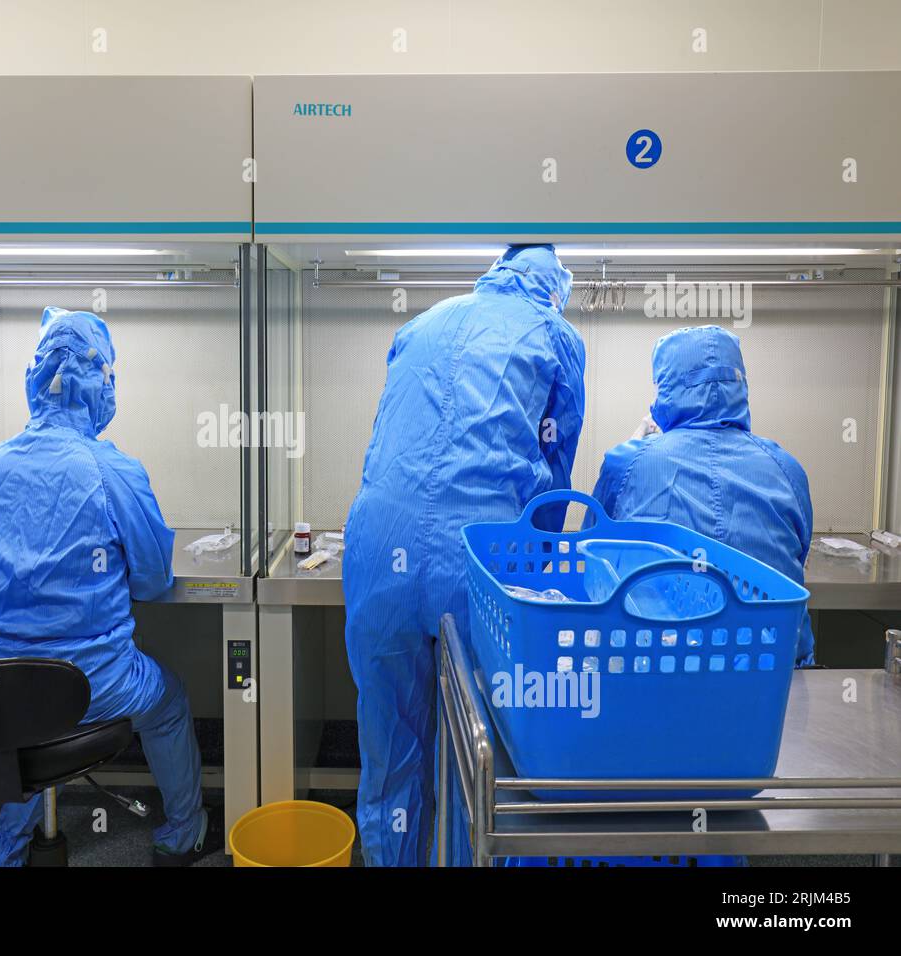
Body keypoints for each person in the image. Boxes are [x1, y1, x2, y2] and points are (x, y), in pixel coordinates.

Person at [343, 244, 586, 866]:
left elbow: (388, 438)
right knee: (474, 756)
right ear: (552, 286)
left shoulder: (420, 323)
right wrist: (541, 571)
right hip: (478, 558)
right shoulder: (556, 335)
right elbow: (552, 484)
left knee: (388, 746)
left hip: (378, 546)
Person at [0, 306, 214, 867]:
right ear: (97, 384)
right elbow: (152, 579)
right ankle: (182, 833)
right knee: (167, 702)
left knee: (18, 709)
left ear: (36, 380)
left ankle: (11, 843)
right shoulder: (112, 469)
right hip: (88, 683)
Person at [591, 324, 814, 665]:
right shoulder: (786, 468)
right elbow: (799, 553)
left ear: (665, 388)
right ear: (739, 384)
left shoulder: (627, 464)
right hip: (773, 677)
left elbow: (592, 552)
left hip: (658, 669)